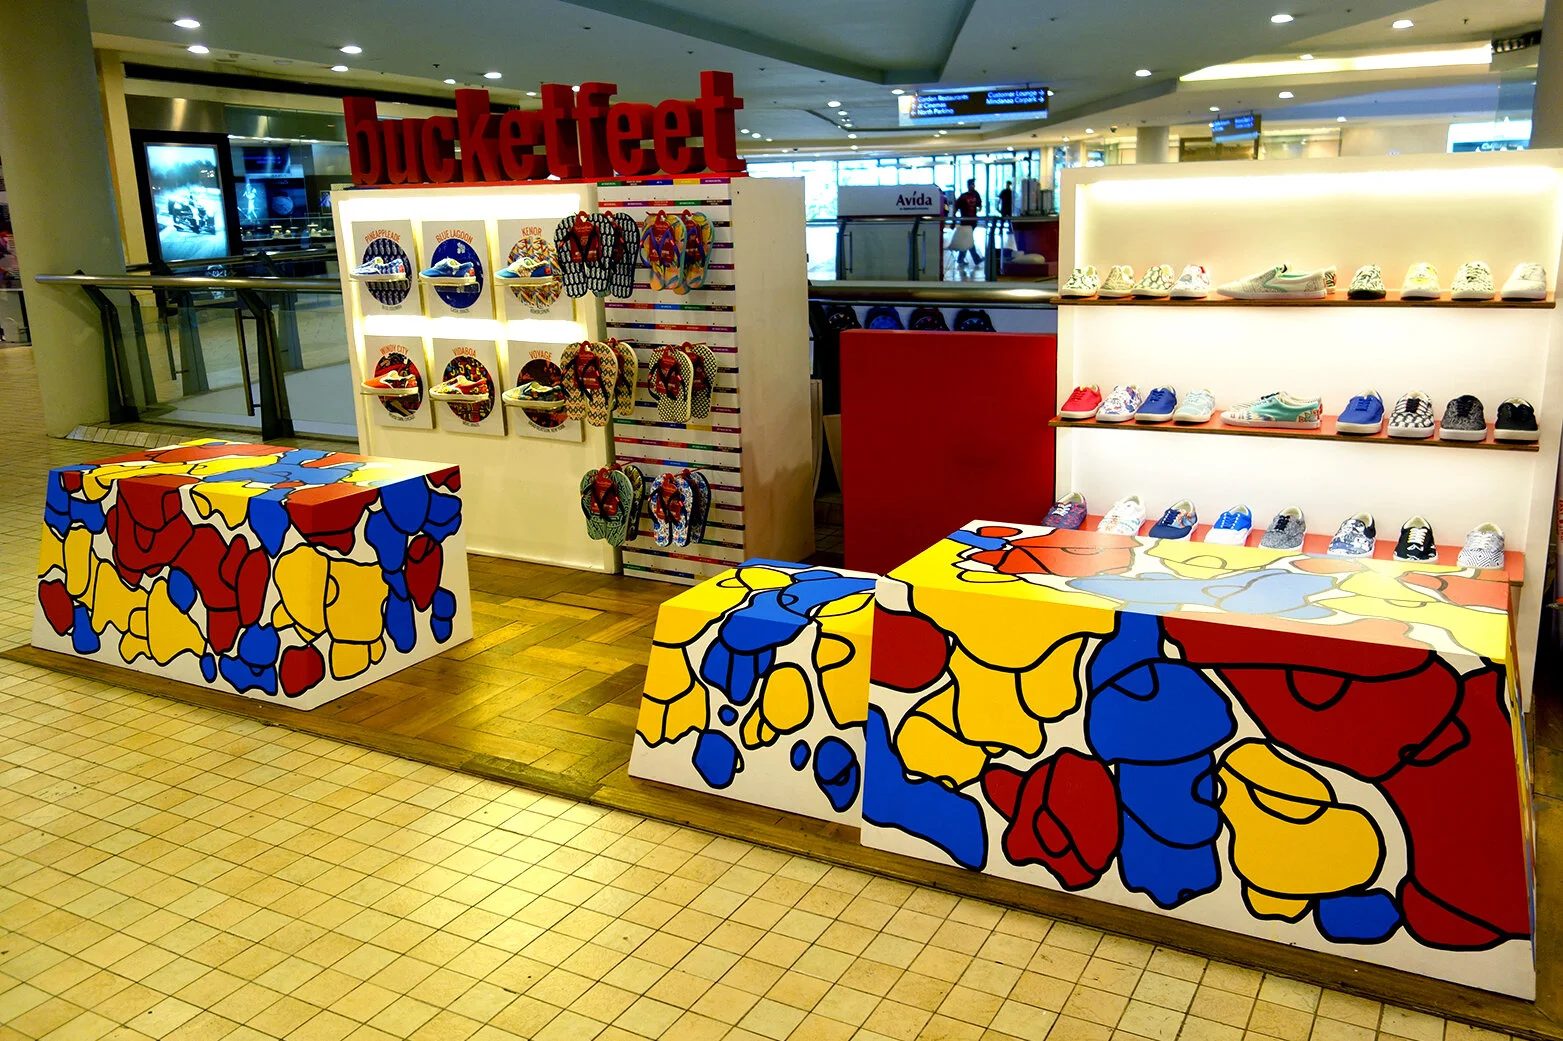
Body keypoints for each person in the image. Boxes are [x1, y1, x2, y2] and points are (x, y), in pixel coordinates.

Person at [949, 178, 982, 268]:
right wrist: (953, 221)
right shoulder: (963, 197)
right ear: (968, 185)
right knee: (969, 240)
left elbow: (979, 205)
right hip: (966, 222)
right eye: (972, 184)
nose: (973, 186)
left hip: (972, 222)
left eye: (974, 184)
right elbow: (955, 208)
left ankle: (961, 258)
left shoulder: (976, 194)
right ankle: (975, 259)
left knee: (967, 240)